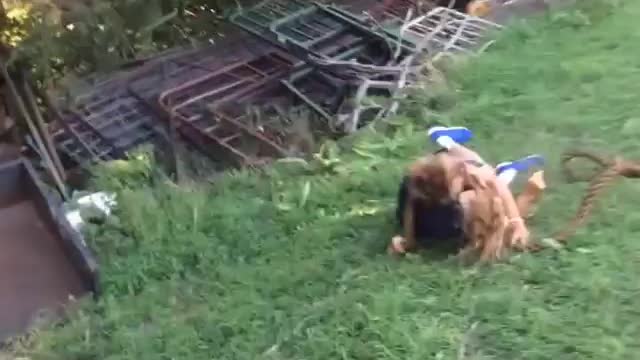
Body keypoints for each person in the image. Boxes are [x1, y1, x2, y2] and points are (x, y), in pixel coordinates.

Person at [390, 125, 545, 257]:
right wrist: (408, 239)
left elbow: (498, 186)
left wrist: (516, 221)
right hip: (443, 211)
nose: (463, 170)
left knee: (480, 171)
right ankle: (504, 170)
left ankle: (447, 141)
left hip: (448, 196)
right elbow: (409, 208)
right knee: (480, 173)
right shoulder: (427, 185)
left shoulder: (429, 179)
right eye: (459, 172)